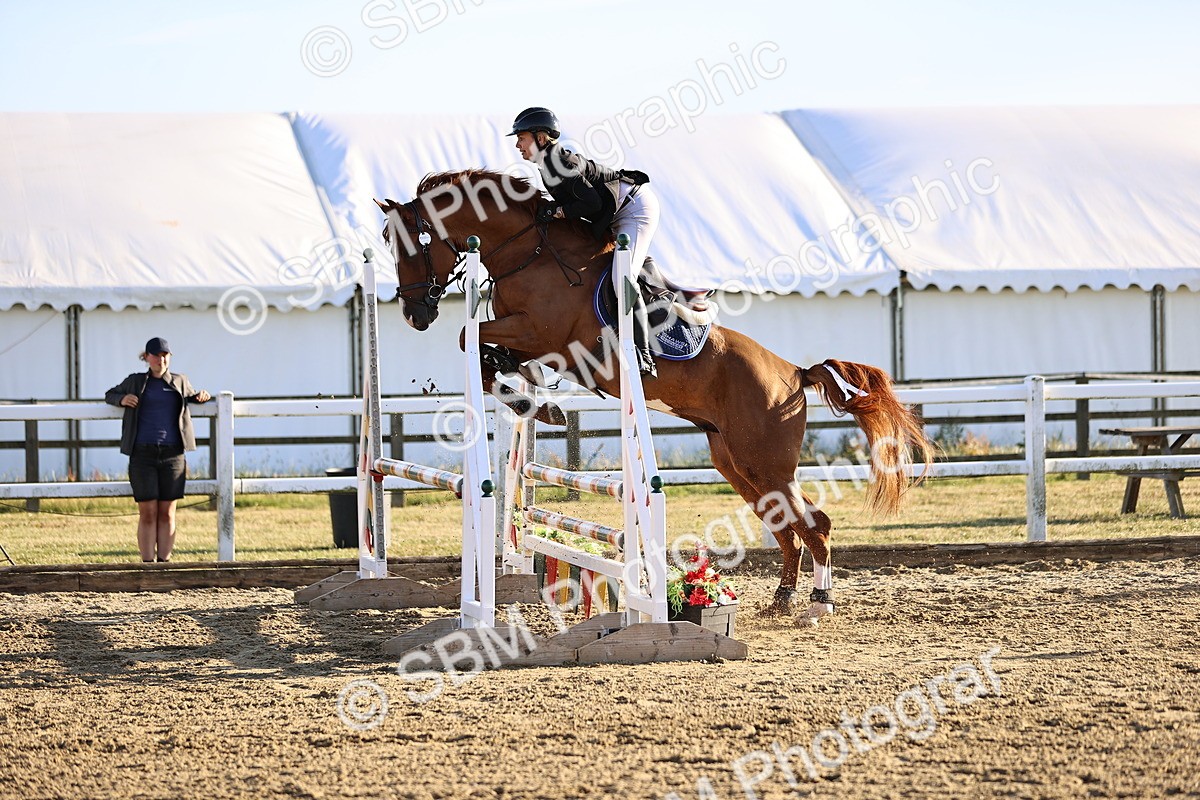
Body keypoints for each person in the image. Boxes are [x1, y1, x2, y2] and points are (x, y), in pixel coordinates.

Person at [509, 106, 660, 378]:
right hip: (614, 210)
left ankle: (643, 355)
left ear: (541, 137)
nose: (518, 144)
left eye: (522, 137)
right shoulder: (547, 165)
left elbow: (590, 202)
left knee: (621, 279)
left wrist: (558, 211)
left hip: (634, 208)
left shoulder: (558, 162)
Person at [105, 337, 211, 563]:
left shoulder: (180, 380)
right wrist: (122, 399)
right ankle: (147, 564)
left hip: (173, 454)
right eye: (156, 355)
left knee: (167, 512)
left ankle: (164, 562)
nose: (161, 359)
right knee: (148, 512)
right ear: (146, 357)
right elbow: (109, 395)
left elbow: (194, 395)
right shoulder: (135, 381)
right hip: (142, 453)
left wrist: (202, 396)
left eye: (165, 355)